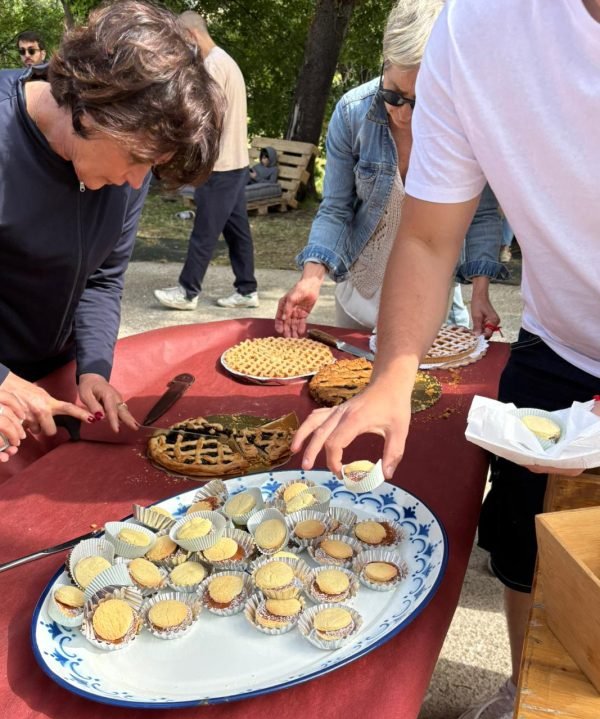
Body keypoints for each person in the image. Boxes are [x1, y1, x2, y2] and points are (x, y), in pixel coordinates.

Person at [291, 0, 600, 719]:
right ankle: (530, 691)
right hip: (561, 342)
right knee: (525, 544)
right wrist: (393, 371)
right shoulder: (477, 29)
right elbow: (430, 236)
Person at [0, 0, 222, 460]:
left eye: (153, 167)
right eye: (139, 160)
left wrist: (94, 369)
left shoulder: (126, 162)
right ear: (94, 111)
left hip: (52, 381)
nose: (137, 182)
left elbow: (102, 276)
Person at [275, 0, 505, 338]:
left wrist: (480, 290)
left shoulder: (465, 122)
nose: (404, 115)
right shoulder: (352, 114)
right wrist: (312, 277)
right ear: (384, 64)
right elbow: (336, 208)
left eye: (422, 100)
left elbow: (482, 215)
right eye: (393, 95)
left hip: (434, 297)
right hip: (361, 293)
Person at [154, 11, 259, 312]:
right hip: (235, 162)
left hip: (220, 166)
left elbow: (205, 121)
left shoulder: (212, 66)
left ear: (191, 36)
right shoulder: (227, 62)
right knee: (237, 231)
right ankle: (247, 290)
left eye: (180, 41)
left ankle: (187, 292)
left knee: (204, 231)